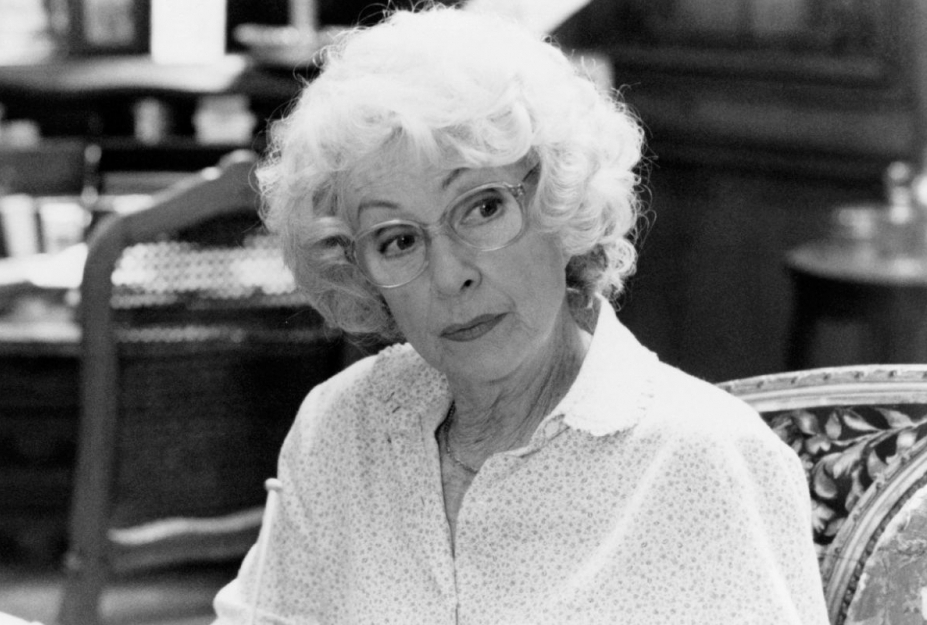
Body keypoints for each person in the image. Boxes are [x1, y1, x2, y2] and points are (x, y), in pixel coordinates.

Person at [213, 4, 829, 624]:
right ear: (359, 271)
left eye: (483, 207)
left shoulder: (705, 463)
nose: (450, 275)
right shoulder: (342, 430)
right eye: (397, 240)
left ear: (561, 200)